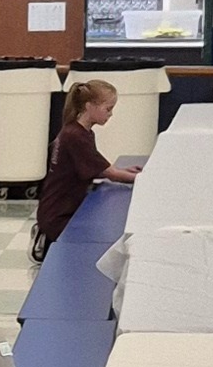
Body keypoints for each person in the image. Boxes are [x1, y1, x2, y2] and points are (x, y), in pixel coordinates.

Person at [32, 76, 141, 257]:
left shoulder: (77, 131)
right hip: (59, 216)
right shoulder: (75, 136)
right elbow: (109, 173)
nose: (110, 114)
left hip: (57, 209)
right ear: (89, 106)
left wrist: (122, 171)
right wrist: (140, 178)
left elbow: (98, 164)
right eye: (108, 109)